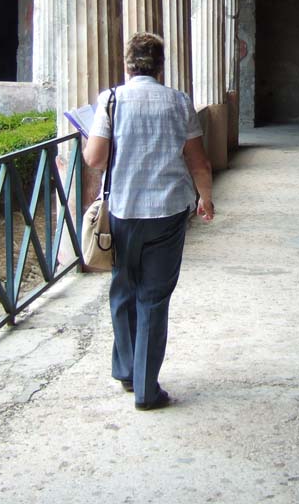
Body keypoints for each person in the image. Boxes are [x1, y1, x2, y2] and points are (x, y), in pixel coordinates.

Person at [83, 32, 214, 411]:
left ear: (127, 64)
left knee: (123, 289)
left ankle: (126, 370)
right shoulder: (179, 101)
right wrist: (205, 197)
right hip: (168, 213)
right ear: (160, 66)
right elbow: (198, 161)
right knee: (153, 297)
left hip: (123, 210)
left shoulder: (110, 100)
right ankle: (146, 388)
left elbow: (94, 159)